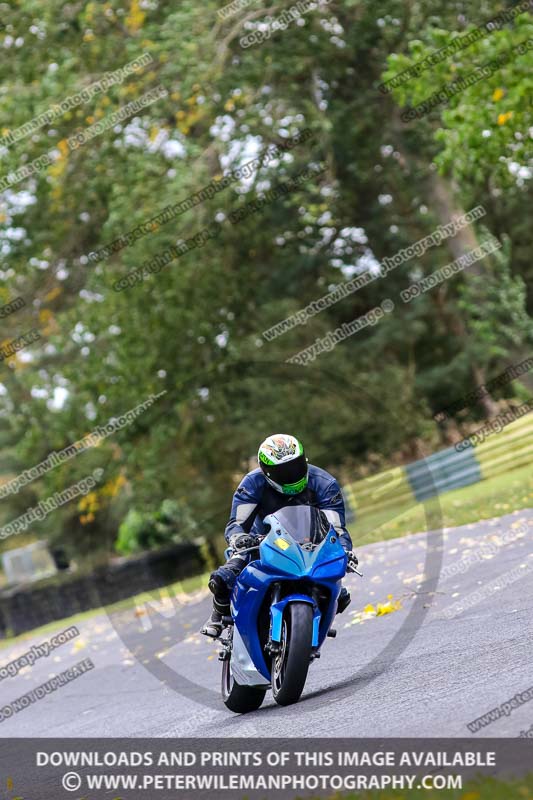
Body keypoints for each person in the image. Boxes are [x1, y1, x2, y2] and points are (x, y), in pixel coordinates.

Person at [201, 433, 358, 638]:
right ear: (265, 472)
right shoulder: (252, 483)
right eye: (282, 471)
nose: (292, 475)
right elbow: (236, 524)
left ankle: (316, 620)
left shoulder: (325, 484)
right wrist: (239, 538)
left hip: (309, 543)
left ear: (305, 461)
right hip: (261, 541)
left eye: (296, 466)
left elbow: (338, 529)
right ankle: (219, 611)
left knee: (340, 594)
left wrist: (345, 550)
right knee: (226, 574)